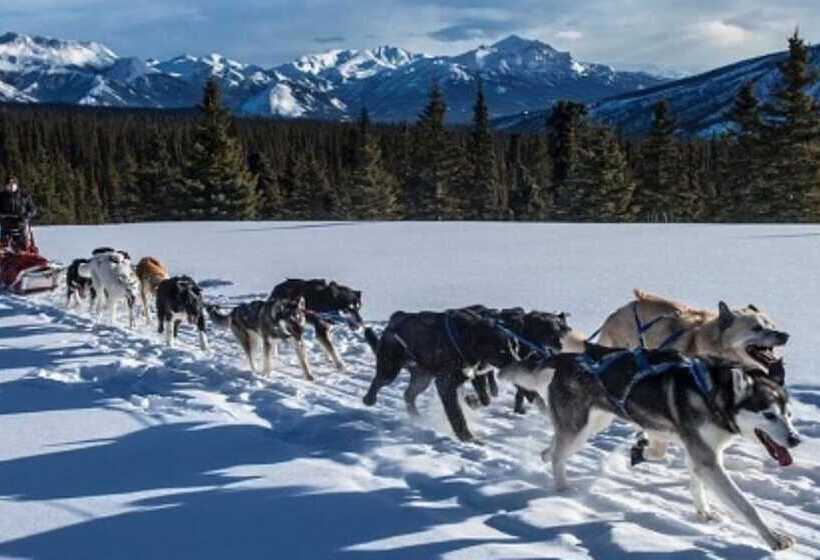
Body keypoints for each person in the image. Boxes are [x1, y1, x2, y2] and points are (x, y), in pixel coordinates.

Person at [0, 176, 36, 251]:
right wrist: (2, 215)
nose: (11, 186)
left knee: (25, 243)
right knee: (4, 243)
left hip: (21, 224)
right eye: (9, 185)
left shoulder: (24, 195)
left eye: (13, 184)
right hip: (6, 224)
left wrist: (27, 215)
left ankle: (27, 251)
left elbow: (32, 209)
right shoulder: (2, 196)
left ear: (16, 185)